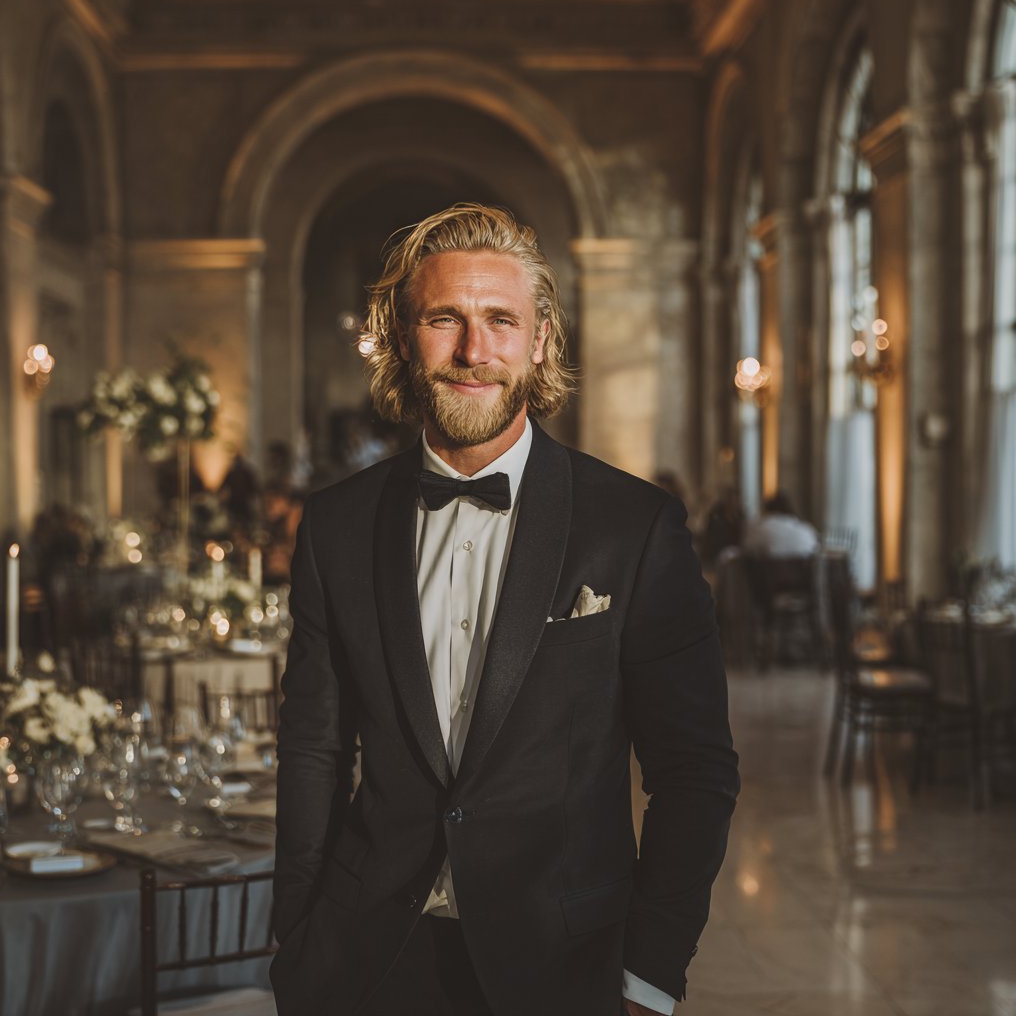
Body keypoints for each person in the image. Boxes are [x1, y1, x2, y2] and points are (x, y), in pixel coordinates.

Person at [270, 204, 739, 1016]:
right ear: (400, 336)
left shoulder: (633, 527)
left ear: (541, 340)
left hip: (564, 962)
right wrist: (295, 936)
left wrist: (651, 975)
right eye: (442, 318)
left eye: (500, 320)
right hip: (366, 957)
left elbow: (694, 770)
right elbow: (313, 748)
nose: (472, 351)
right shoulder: (336, 525)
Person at [742, 490, 819, 558]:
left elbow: (747, 549)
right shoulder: (805, 530)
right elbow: (814, 550)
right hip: (801, 573)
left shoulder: (760, 528)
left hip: (767, 573)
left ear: (767, 510)